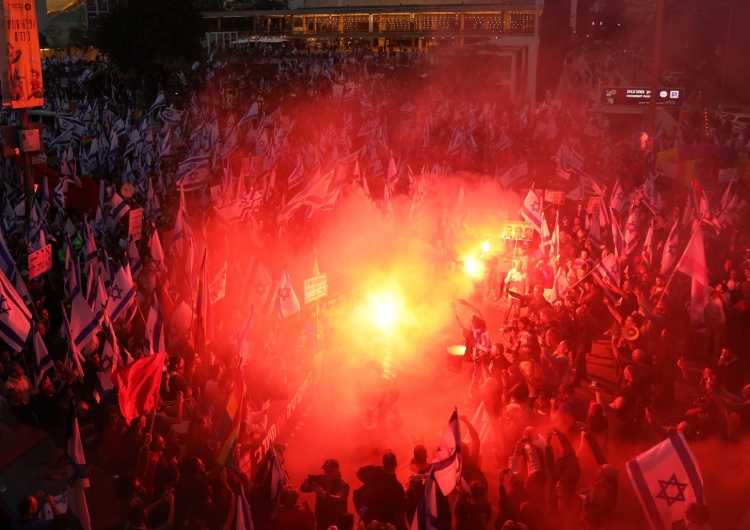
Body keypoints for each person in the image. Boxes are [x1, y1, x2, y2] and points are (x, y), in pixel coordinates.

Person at [355, 450, 408, 530]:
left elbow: (358, 472)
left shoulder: (374, 470)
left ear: (382, 462)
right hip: (387, 526)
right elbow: (399, 514)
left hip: (371, 523)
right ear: (395, 463)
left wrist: (368, 484)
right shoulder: (396, 487)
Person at [301, 459, 350, 530]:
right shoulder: (321, 480)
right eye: (325, 470)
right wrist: (305, 485)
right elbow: (304, 489)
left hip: (336, 523)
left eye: (330, 471)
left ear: (337, 470)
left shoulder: (343, 485)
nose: (326, 473)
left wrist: (324, 494)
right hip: (321, 521)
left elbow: (339, 500)